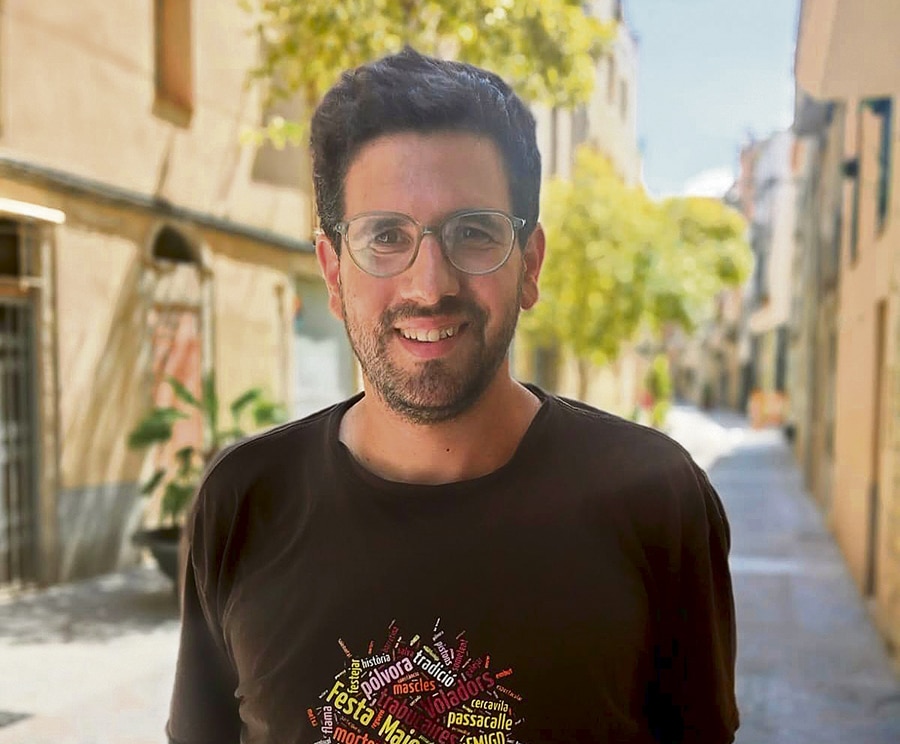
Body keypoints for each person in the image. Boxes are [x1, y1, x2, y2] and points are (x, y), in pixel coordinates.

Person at [167, 49, 739, 744]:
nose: (429, 284)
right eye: (385, 236)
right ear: (333, 271)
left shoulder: (657, 501)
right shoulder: (243, 503)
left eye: (473, 233)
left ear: (530, 264)